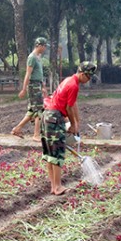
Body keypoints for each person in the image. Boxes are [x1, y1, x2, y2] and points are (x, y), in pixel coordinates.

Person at [41, 61, 97, 196]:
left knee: (50, 154)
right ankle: (58, 186)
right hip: (55, 117)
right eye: (88, 77)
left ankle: (54, 186)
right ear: (83, 74)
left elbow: (72, 103)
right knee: (57, 153)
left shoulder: (69, 80)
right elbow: (68, 108)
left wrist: (77, 122)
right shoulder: (73, 86)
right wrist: (72, 124)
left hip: (47, 116)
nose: (88, 80)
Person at [11, 37, 48, 141]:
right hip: (33, 86)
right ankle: (36, 135)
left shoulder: (38, 57)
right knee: (39, 110)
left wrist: (43, 87)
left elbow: (39, 74)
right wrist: (24, 89)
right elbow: (28, 73)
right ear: (39, 46)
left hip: (38, 85)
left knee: (32, 110)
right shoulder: (31, 57)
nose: (45, 48)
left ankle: (17, 129)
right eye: (44, 46)